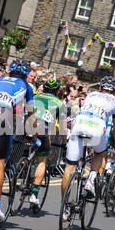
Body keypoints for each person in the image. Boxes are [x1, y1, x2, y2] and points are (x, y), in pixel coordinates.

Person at [0, 59, 38, 221]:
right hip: (4, 118)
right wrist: (34, 136)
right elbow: (31, 114)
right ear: (26, 75)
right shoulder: (27, 87)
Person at [60, 76, 115, 221]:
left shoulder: (90, 95)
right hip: (97, 129)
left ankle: (65, 208)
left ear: (100, 88)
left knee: (70, 167)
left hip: (79, 126)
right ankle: (90, 180)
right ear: (114, 91)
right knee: (100, 152)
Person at [30, 78, 68, 209]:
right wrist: (64, 143)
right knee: (42, 161)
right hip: (43, 130)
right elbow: (63, 127)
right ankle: (34, 194)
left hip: (26, 126)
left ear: (44, 88)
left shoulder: (36, 96)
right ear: (57, 92)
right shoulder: (60, 103)